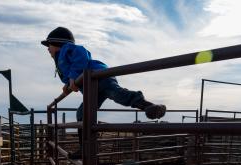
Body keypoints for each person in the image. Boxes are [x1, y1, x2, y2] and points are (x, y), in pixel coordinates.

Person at [41, 26, 166, 158]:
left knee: (118, 95)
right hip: (91, 87)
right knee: (82, 113)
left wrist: (72, 77)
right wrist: (68, 85)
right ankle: (85, 148)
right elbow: (73, 72)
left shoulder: (68, 49)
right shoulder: (61, 60)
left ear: (58, 44)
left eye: (49, 45)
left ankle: (149, 106)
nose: (48, 49)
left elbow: (82, 55)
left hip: (99, 76)